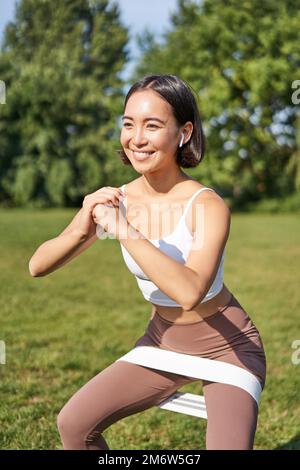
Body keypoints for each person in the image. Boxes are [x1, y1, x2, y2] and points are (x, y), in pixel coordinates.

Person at [29, 74, 266, 450]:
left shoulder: (207, 205)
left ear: (183, 132)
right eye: (128, 123)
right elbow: (37, 266)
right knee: (74, 424)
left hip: (228, 348)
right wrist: (82, 222)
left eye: (152, 125)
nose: (137, 138)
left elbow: (189, 291)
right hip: (162, 341)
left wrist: (124, 229)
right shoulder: (117, 200)